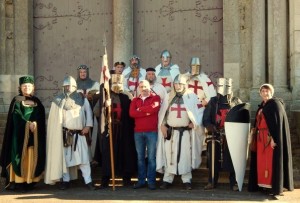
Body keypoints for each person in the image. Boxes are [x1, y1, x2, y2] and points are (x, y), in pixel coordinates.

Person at [44, 76, 97, 190]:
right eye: (66, 86)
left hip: (80, 134)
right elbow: (55, 119)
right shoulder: (58, 100)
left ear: (75, 86)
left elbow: (89, 113)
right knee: (65, 159)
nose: (68, 88)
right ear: (63, 87)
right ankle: (66, 181)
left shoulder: (82, 99)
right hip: (65, 135)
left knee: (84, 159)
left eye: (71, 86)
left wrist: (88, 126)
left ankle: (88, 181)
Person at [0, 75, 46, 191]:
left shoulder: (37, 102)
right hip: (19, 135)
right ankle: (19, 182)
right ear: (20, 87)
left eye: (29, 86)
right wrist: (27, 124)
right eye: (24, 86)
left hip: (34, 134)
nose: (26, 88)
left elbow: (40, 116)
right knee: (20, 156)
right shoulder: (17, 100)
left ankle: (30, 181)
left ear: (33, 88)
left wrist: (35, 123)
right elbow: (16, 115)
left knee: (32, 154)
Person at [248, 84, 294, 196]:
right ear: (260, 93)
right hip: (260, 139)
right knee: (261, 163)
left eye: (267, 91)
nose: (265, 93)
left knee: (270, 163)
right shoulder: (262, 106)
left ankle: (273, 187)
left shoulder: (275, 105)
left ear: (271, 92)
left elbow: (276, 126)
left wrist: (274, 139)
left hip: (269, 140)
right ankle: (262, 186)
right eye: (262, 91)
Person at [93, 71, 136, 188]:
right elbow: (96, 112)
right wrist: (104, 106)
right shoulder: (105, 97)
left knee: (125, 154)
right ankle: (105, 180)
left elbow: (132, 113)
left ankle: (126, 179)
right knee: (107, 155)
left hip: (124, 131)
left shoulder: (126, 97)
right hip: (109, 130)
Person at [159, 74, 202, 190]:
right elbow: (163, 113)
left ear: (185, 85)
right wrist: (162, 125)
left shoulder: (191, 96)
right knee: (169, 155)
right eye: (176, 84)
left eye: (180, 84)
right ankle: (167, 179)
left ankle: (186, 179)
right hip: (171, 132)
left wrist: (195, 122)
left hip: (185, 133)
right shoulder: (169, 96)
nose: (178, 86)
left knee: (185, 156)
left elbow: (199, 111)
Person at [203, 78, 241, 191]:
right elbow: (206, 118)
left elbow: (241, 117)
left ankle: (234, 182)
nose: (224, 89)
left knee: (233, 159)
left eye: (227, 86)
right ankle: (212, 181)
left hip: (231, 135)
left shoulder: (236, 101)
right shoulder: (213, 101)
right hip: (215, 134)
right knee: (212, 159)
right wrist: (210, 126)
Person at [129, 80, 160, 190]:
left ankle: (151, 181)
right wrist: (146, 112)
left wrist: (140, 110)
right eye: (141, 87)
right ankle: (141, 181)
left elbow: (154, 108)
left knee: (151, 158)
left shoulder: (156, 98)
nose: (143, 89)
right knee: (140, 158)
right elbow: (132, 113)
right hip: (138, 132)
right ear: (139, 88)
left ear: (149, 87)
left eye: (145, 86)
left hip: (151, 132)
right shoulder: (135, 100)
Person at [186, 57, 217, 153]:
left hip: (201, 107)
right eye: (193, 66)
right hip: (189, 107)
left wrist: (206, 101)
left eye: (197, 66)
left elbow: (211, 94)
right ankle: (189, 149)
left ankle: (201, 149)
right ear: (190, 66)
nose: (195, 68)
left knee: (200, 127)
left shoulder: (205, 78)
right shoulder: (185, 78)